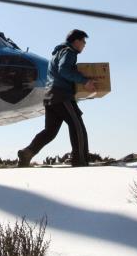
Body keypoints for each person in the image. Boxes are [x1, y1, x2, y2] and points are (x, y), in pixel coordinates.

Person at [17, 29, 96, 167]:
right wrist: (85, 81)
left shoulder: (58, 52)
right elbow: (64, 70)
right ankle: (80, 160)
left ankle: (27, 153)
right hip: (62, 95)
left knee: (50, 132)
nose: (84, 45)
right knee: (77, 125)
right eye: (83, 41)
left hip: (50, 97)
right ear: (76, 41)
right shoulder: (69, 52)